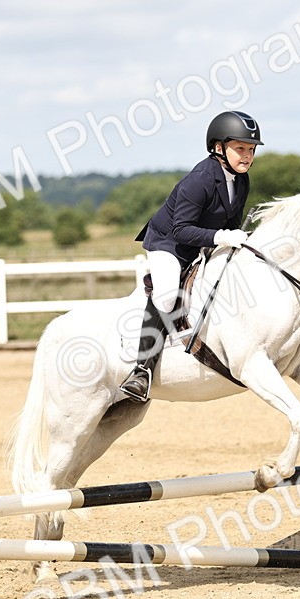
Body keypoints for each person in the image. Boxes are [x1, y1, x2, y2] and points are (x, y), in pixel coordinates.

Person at [118, 110, 263, 402]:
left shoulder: (241, 180)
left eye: (251, 150)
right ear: (219, 148)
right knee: (168, 295)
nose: (247, 156)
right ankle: (141, 370)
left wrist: (233, 239)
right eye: (240, 149)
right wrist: (220, 237)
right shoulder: (200, 179)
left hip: (201, 243)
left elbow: (231, 222)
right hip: (169, 243)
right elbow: (181, 230)